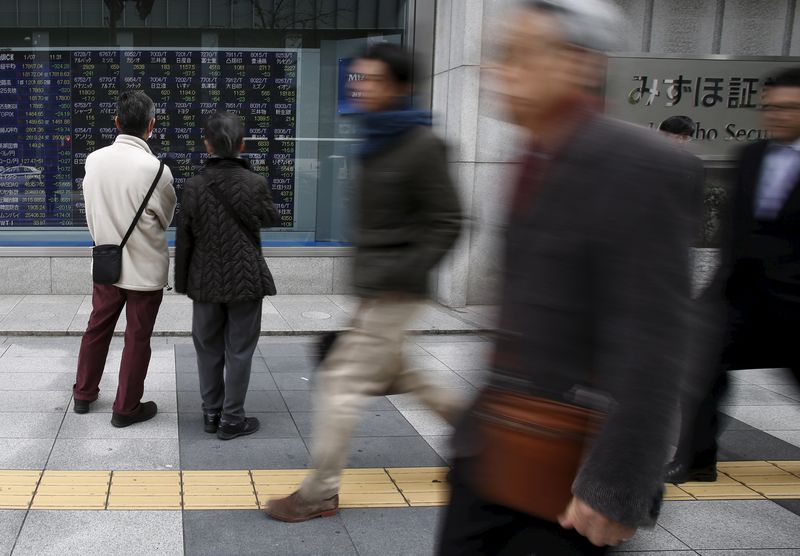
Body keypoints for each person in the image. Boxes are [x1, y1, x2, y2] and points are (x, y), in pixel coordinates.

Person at [437, 1, 702, 554]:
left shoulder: (643, 165)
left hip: (567, 474)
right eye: (499, 55)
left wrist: (619, 485)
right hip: (491, 452)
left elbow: (657, 342)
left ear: (580, 61)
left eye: (521, 55)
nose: (501, 71)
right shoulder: (532, 153)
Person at [265, 43, 464, 522]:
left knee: (339, 381)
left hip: (396, 288)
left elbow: (448, 221)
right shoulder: (376, 138)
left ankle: (319, 492)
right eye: (358, 78)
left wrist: (398, 279)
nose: (360, 87)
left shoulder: (422, 144)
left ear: (400, 87)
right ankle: (489, 445)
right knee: (410, 377)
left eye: (372, 79)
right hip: (377, 288)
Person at [666, 67, 800, 483]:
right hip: (740, 297)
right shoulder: (751, 156)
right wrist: (709, 294)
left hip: (798, 303)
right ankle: (697, 461)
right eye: (769, 107)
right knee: (703, 375)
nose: (775, 115)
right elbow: (732, 231)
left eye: (788, 108)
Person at [73, 90, 177, 427]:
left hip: (106, 263)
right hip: (144, 271)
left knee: (97, 328)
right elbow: (165, 218)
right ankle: (126, 407)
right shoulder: (158, 170)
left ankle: (84, 394)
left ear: (116, 123)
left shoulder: (94, 160)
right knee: (137, 337)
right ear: (151, 125)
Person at [174, 110, 278, 440]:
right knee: (240, 350)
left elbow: (185, 237)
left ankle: (210, 413)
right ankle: (233, 419)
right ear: (242, 145)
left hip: (204, 281)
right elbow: (271, 218)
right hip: (246, 280)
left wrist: (182, 282)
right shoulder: (255, 183)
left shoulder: (194, 186)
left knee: (207, 349)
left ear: (207, 145)